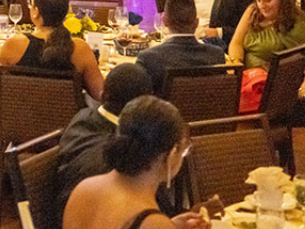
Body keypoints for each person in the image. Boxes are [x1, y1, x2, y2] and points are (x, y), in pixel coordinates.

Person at [62, 96, 205, 229]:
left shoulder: (83, 189)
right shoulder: (150, 221)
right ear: (172, 154)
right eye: (184, 151)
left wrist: (169, 225)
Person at [55, 64, 155, 216]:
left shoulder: (82, 117)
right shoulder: (122, 153)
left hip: (65, 211)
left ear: (102, 96)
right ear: (144, 107)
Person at [0, 0, 104, 100]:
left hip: (19, 116)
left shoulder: (14, 44)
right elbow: (100, 93)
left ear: (36, 12)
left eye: (30, 5)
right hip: (68, 117)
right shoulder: (79, 48)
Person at [230, 0, 305, 98]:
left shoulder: (297, 26)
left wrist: (302, 92)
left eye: (268, 0)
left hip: (273, 90)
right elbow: (236, 43)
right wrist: (236, 66)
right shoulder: (252, 11)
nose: (262, 5)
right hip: (246, 80)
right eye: (259, 0)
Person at [134, 0, 227, 93]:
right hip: (207, 108)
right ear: (196, 23)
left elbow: (138, 98)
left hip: (164, 108)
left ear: (164, 21)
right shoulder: (217, 55)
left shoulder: (148, 58)